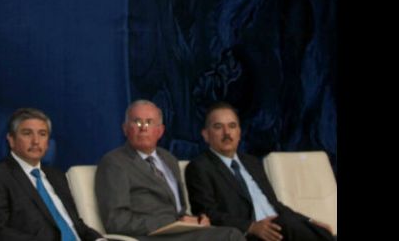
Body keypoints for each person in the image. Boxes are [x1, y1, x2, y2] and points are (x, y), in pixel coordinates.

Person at [95, 100, 245, 241]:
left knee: (228, 232)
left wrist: (196, 220)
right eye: (137, 121)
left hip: (178, 233)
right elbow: (116, 221)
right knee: (231, 236)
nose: (143, 128)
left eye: (149, 122)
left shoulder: (169, 159)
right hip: (149, 236)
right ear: (125, 129)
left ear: (160, 131)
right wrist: (171, 222)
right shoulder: (114, 162)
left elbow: (178, 211)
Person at [185, 102, 335, 241]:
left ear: (239, 132)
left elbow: (275, 205)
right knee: (292, 225)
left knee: (321, 230)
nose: (227, 133)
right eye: (218, 127)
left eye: (232, 126)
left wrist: (308, 221)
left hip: (281, 228)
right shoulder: (199, 167)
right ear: (205, 135)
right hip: (249, 234)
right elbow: (207, 214)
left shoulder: (252, 163)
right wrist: (251, 227)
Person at [0, 107, 105, 241]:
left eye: (42, 134)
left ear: (48, 143)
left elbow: (75, 224)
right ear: (11, 140)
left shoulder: (57, 176)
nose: (36, 141)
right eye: (27, 133)